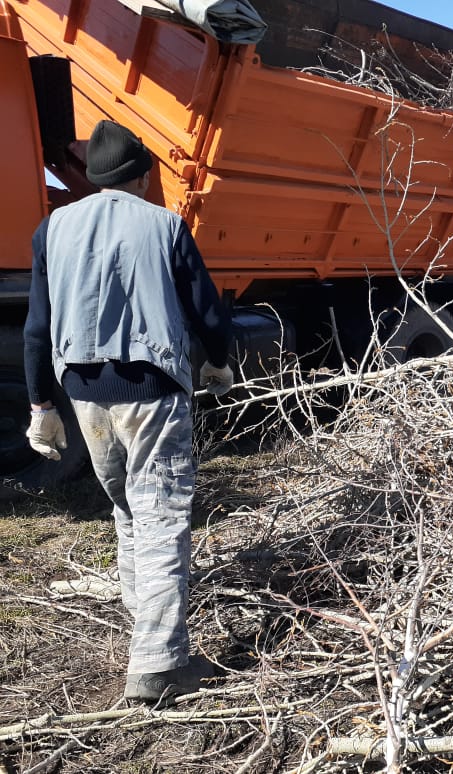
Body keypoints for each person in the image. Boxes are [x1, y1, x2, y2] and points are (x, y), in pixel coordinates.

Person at [23, 119, 234, 707]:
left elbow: (38, 328)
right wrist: (217, 363)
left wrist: (42, 404)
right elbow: (206, 313)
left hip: (85, 391)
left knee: (126, 506)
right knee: (162, 513)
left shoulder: (52, 228)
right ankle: (158, 665)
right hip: (151, 390)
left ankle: (144, 616)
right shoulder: (165, 225)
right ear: (141, 177)